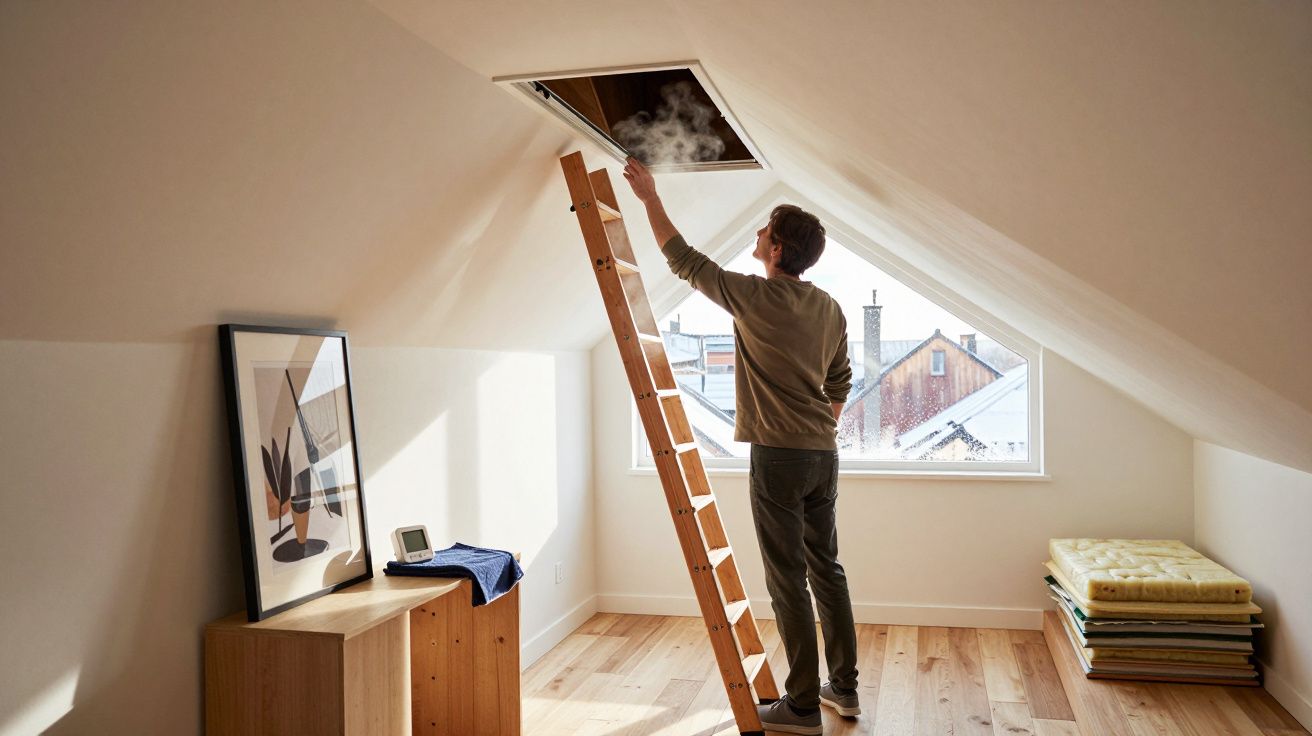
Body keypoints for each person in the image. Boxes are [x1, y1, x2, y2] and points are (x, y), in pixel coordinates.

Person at [622, 157, 860, 735]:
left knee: (787, 580)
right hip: (822, 455)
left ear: (777, 250)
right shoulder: (828, 306)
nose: (756, 236)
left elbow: (683, 260)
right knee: (825, 569)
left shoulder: (754, 296)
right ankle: (844, 691)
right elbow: (840, 383)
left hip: (778, 457)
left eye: (763, 231)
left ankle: (802, 707)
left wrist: (649, 196)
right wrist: (814, 429)